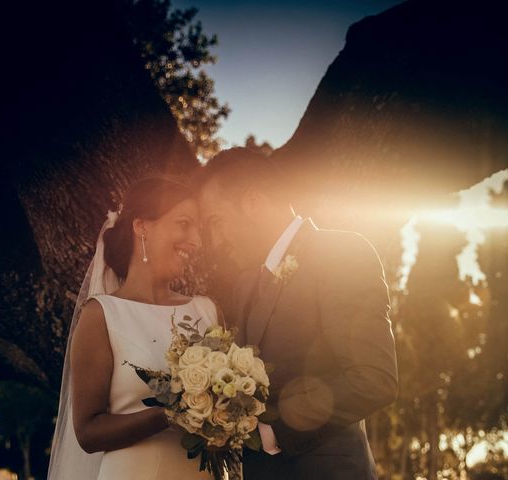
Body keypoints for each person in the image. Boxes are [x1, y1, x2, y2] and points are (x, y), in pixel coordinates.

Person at [197, 147, 399, 479]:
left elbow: (373, 379)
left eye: (216, 222)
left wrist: (271, 430)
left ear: (253, 204)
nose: (215, 241)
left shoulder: (342, 252)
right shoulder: (247, 285)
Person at [48, 176, 218, 480]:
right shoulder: (102, 315)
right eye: (184, 224)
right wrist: (166, 415)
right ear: (142, 227)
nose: (196, 240)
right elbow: (87, 432)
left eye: (198, 229)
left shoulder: (207, 311)